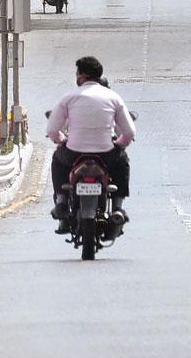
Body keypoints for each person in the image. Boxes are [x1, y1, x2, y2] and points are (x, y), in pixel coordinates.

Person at [45, 56, 136, 233]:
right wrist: (119, 144)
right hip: (106, 153)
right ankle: (117, 206)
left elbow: (52, 130)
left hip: (73, 152)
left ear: (82, 76)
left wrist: (62, 141)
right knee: (122, 162)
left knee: (57, 159)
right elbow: (129, 132)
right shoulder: (114, 97)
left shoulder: (69, 97)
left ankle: (62, 201)